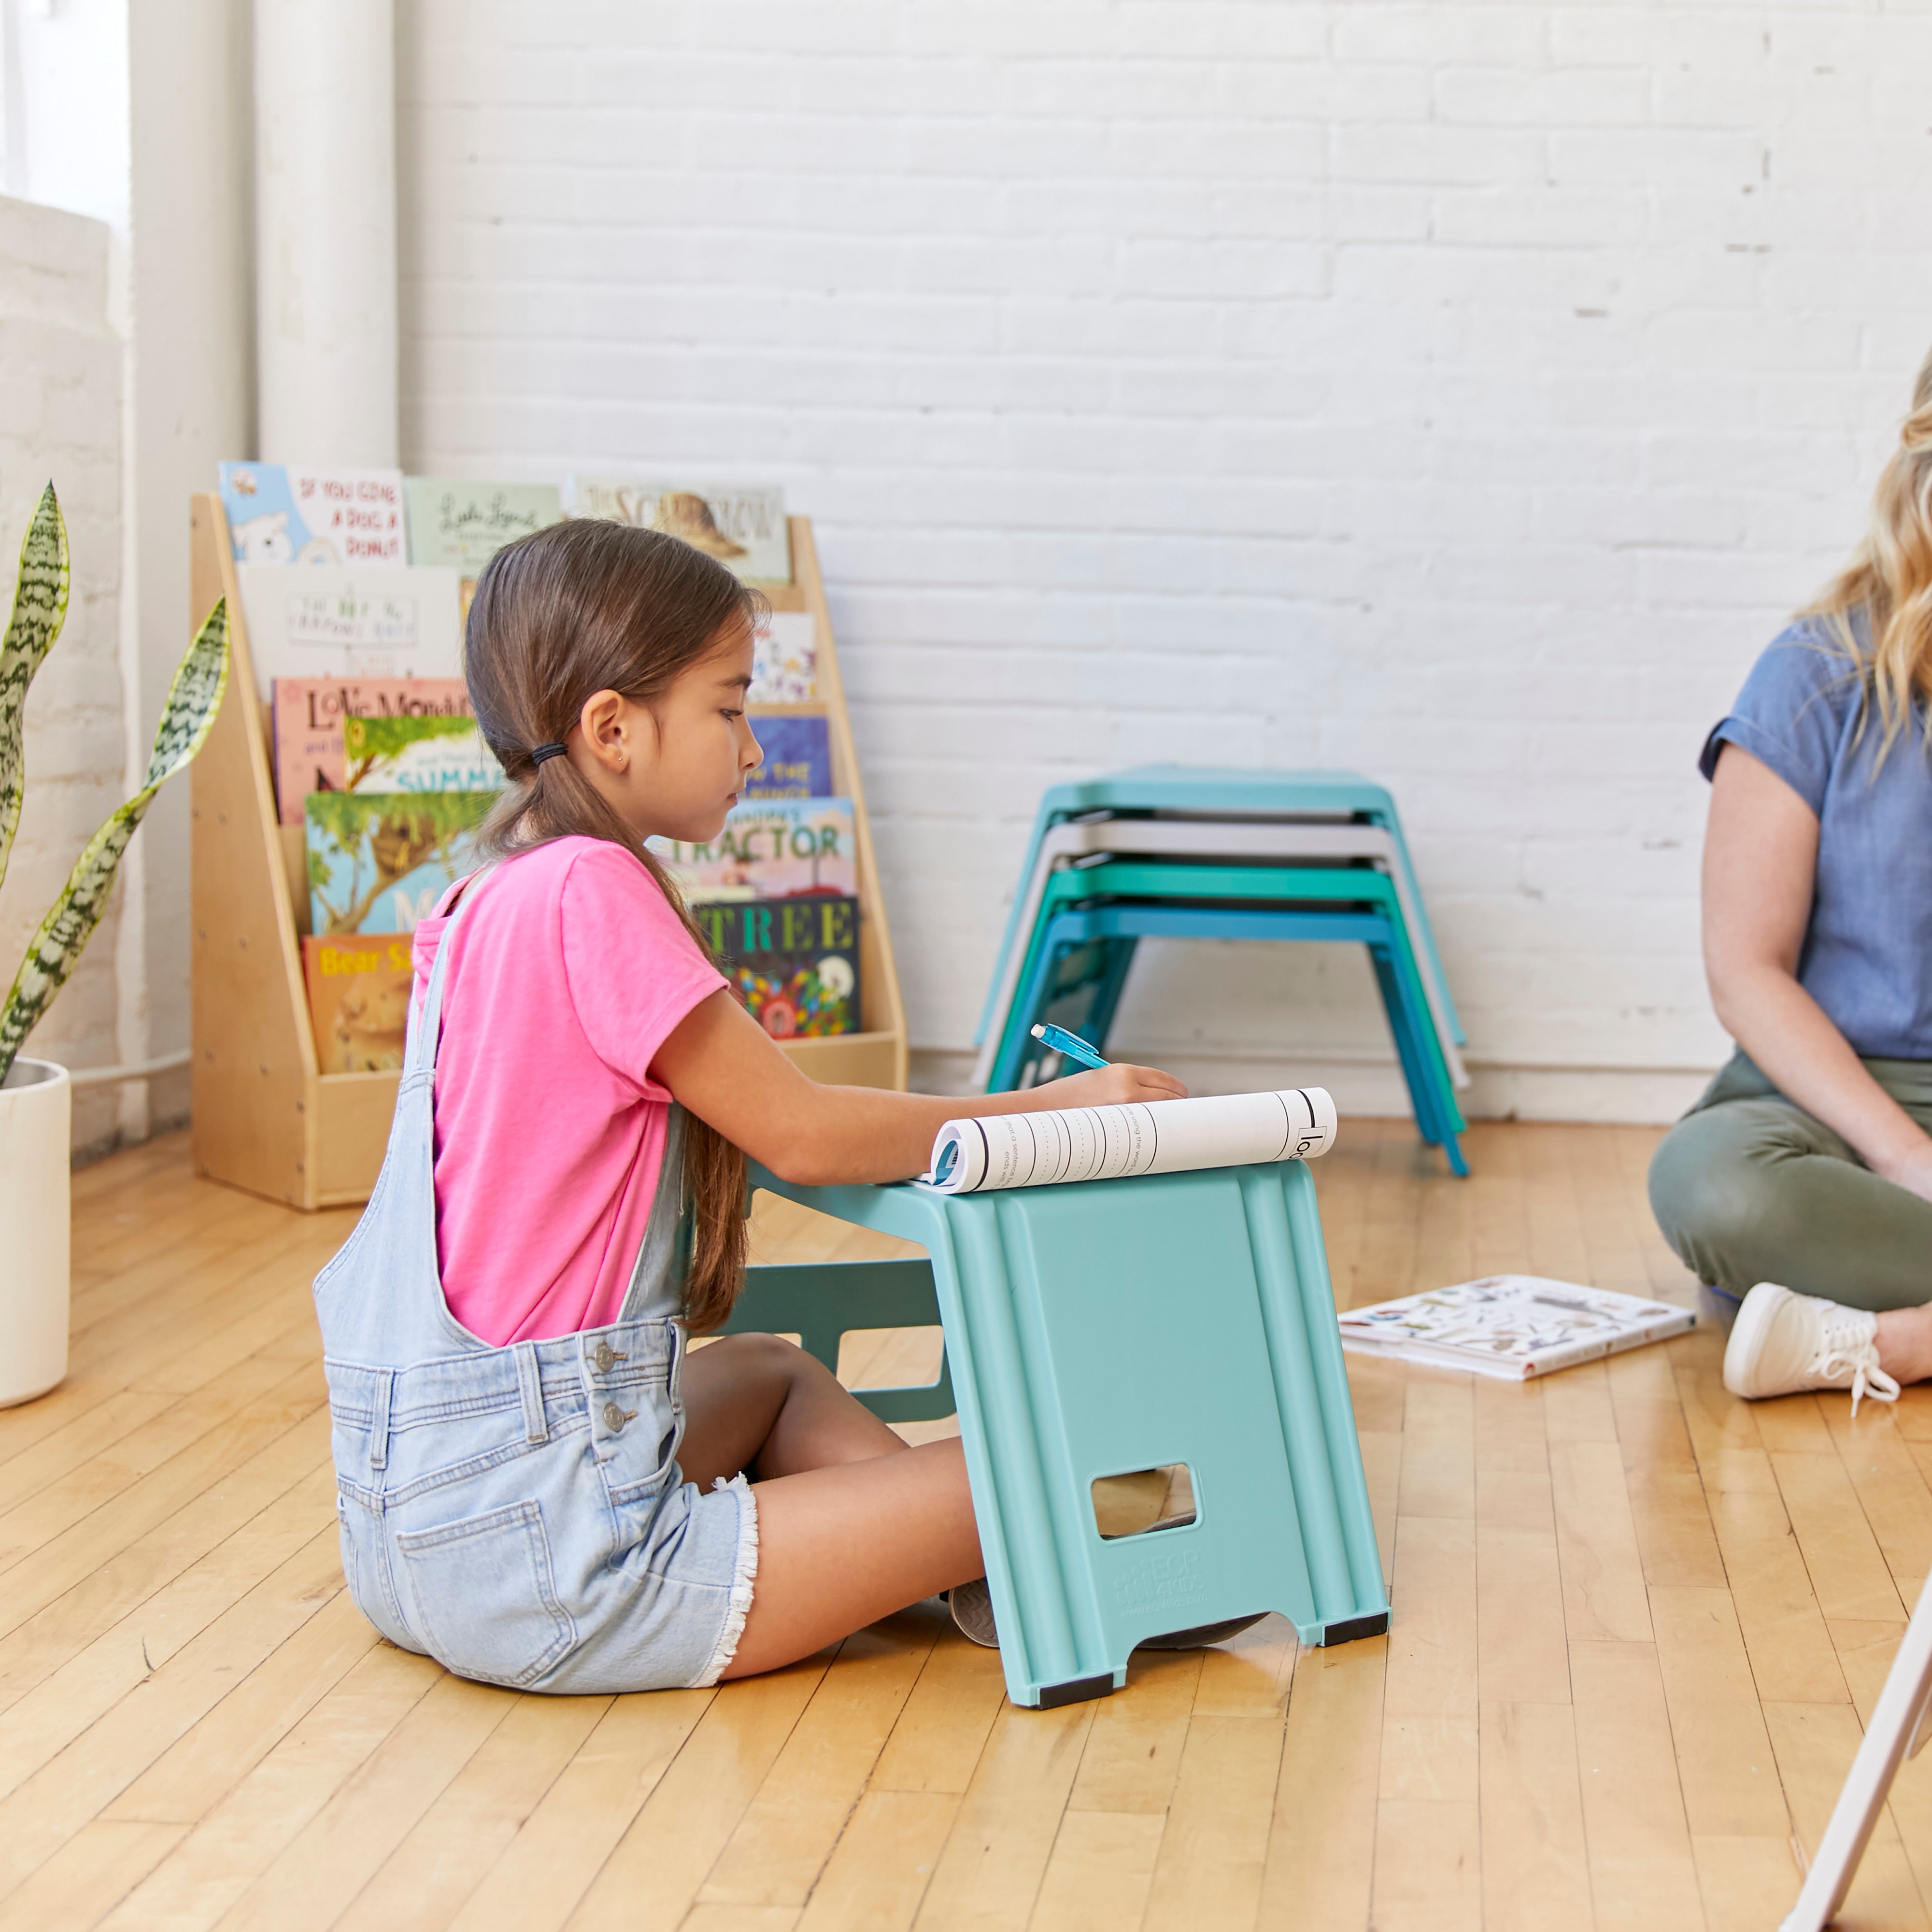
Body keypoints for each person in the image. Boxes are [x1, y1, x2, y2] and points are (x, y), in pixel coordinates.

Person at [313, 517, 1192, 1693]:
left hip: (417, 1527)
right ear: (613, 727)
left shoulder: (481, 901)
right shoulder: (594, 885)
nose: (752, 747)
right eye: (729, 707)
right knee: (1064, 1464)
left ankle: (970, 1574)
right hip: (563, 1564)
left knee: (773, 1372)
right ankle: (1054, 1554)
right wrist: (1053, 1108)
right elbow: (804, 1132)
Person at [1648, 352, 1932, 1413]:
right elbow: (1745, 972)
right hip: (1838, 1100)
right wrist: (1905, 1158)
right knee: (1710, 1182)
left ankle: (1893, 1339)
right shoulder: (1815, 673)